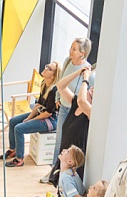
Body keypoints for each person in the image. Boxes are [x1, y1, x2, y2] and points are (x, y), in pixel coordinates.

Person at [45, 37, 92, 174]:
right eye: (71, 47)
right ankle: (55, 169)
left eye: (74, 49)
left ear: (82, 53)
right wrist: (58, 98)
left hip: (75, 111)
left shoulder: (89, 74)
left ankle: (62, 170)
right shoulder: (67, 62)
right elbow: (60, 82)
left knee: (67, 142)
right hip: (64, 107)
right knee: (59, 139)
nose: (70, 51)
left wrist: (84, 76)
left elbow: (87, 97)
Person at [2, 61, 59, 168]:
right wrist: (29, 117)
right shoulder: (43, 83)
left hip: (50, 120)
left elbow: (48, 113)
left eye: (49, 69)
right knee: (13, 121)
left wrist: (32, 120)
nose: (46, 68)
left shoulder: (54, 90)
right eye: (47, 66)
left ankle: (19, 159)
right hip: (41, 113)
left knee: (19, 129)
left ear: (54, 75)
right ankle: (12, 149)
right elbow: (38, 104)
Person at [46, 75, 92, 187]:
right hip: (65, 155)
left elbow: (82, 101)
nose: (92, 89)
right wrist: (79, 72)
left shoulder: (91, 111)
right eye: (92, 88)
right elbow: (60, 86)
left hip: (74, 161)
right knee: (61, 191)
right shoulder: (75, 102)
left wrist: (85, 79)